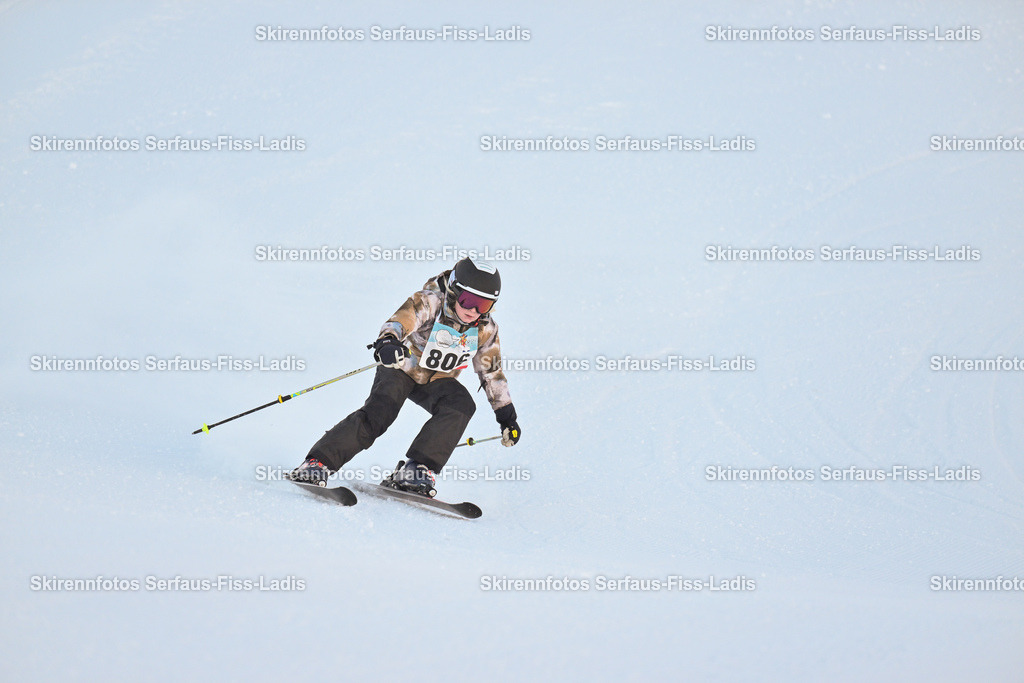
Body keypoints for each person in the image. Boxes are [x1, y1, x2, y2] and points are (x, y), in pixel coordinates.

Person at [288, 258, 520, 497]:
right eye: (468, 301)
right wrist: (388, 341)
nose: (473, 311)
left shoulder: (484, 328)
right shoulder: (431, 302)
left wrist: (506, 414)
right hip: (402, 366)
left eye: (484, 305)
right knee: (380, 412)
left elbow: (490, 369)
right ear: (453, 291)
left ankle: (417, 470)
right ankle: (318, 463)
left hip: (437, 380)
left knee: (460, 405)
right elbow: (403, 320)